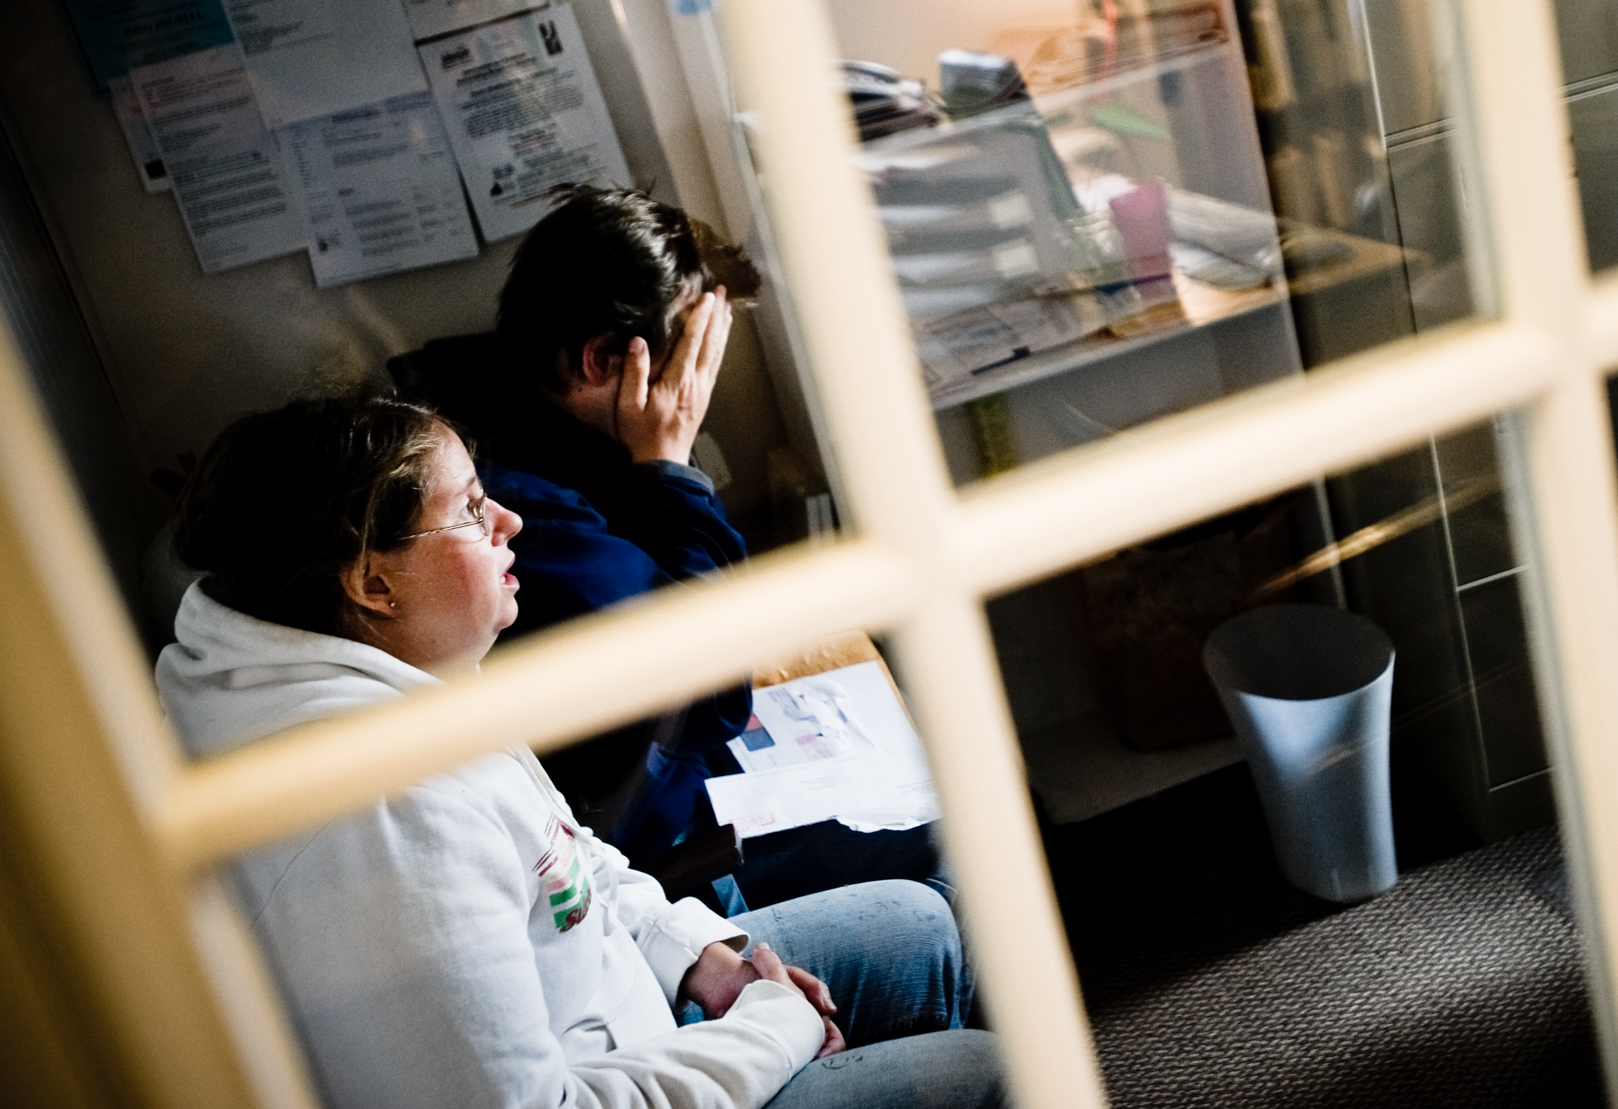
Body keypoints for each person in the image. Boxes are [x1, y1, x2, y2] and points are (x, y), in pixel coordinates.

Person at [157, 395, 1003, 1109]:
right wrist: (772, 1025)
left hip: (628, 1006)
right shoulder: (384, 818)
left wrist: (700, 959)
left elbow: (572, 858)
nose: (509, 520)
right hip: (613, 1075)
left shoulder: (391, 675)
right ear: (373, 583)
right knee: (993, 1073)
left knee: (918, 920)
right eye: (469, 509)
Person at [394, 187, 947, 912]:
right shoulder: (530, 520)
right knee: (943, 838)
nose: (698, 387)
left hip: (658, 768)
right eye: (691, 355)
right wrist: (667, 461)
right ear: (601, 361)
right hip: (655, 857)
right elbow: (712, 690)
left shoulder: (502, 397)